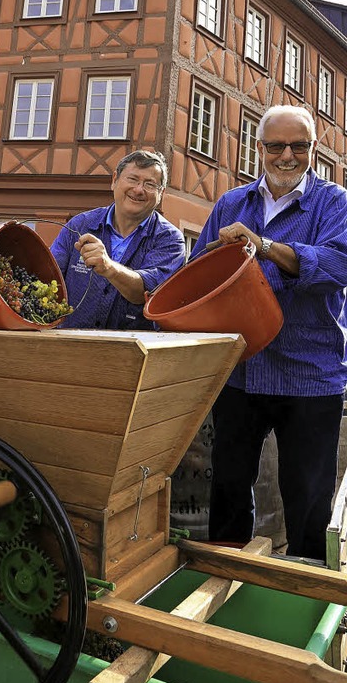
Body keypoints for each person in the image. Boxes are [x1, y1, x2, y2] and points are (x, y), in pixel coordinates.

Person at [190, 105, 347, 561]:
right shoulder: (232, 203)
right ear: (259, 149)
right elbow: (198, 274)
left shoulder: (334, 202)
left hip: (310, 374)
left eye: (299, 146)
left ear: (313, 149)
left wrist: (262, 248)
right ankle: (228, 575)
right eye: (276, 145)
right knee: (230, 486)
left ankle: (305, 589)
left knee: (308, 498)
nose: (286, 156)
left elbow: (337, 265)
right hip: (241, 371)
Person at [50, 150, 185, 330]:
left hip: (132, 352)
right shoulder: (80, 225)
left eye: (150, 184)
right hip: (70, 347)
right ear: (114, 180)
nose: (138, 190)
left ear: (161, 194)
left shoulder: (170, 240)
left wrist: (109, 268)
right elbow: (49, 276)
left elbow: (148, 293)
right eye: (132, 179)